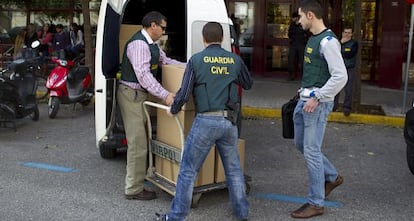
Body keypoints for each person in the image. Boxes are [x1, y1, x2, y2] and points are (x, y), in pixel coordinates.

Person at [155, 21, 253, 221]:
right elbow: (248, 84)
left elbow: (184, 92)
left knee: (188, 171)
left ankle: (175, 217)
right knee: (234, 171)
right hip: (229, 122)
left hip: (206, 122)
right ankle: (242, 214)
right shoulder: (234, 60)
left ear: (204, 39)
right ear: (222, 39)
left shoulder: (196, 60)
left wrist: (173, 109)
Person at [117, 11, 183, 201]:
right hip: (132, 95)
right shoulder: (139, 44)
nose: (164, 31)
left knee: (144, 138)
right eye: (163, 27)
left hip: (140, 95)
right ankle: (133, 189)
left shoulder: (152, 45)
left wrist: (189, 66)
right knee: (138, 143)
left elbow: (166, 61)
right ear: (153, 25)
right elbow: (144, 76)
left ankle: (142, 176)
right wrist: (165, 95)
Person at [291, 0, 347, 218]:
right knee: (301, 145)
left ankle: (316, 203)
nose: (299, 20)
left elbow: (341, 76)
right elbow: (317, 72)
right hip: (305, 99)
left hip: (316, 103)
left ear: (311, 15)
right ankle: (331, 176)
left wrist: (318, 96)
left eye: (301, 16)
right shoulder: (314, 39)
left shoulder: (328, 42)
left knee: (311, 151)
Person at [333, 27, 359, 116]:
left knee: (348, 89)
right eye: (345, 32)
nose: (347, 34)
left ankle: (347, 108)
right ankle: (333, 106)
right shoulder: (338, 43)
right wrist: (340, 44)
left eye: (349, 33)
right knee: (336, 88)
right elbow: (333, 52)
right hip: (339, 68)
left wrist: (341, 51)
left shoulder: (354, 43)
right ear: (342, 33)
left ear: (352, 34)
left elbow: (350, 54)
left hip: (349, 68)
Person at [288, 11, 307, 81]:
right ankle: (291, 76)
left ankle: (303, 77)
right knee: (291, 60)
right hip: (294, 45)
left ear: (296, 18)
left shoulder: (302, 24)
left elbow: (307, 34)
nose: (292, 19)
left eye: (293, 18)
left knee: (302, 61)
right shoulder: (292, 25)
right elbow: (289, 34)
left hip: (301, 45)